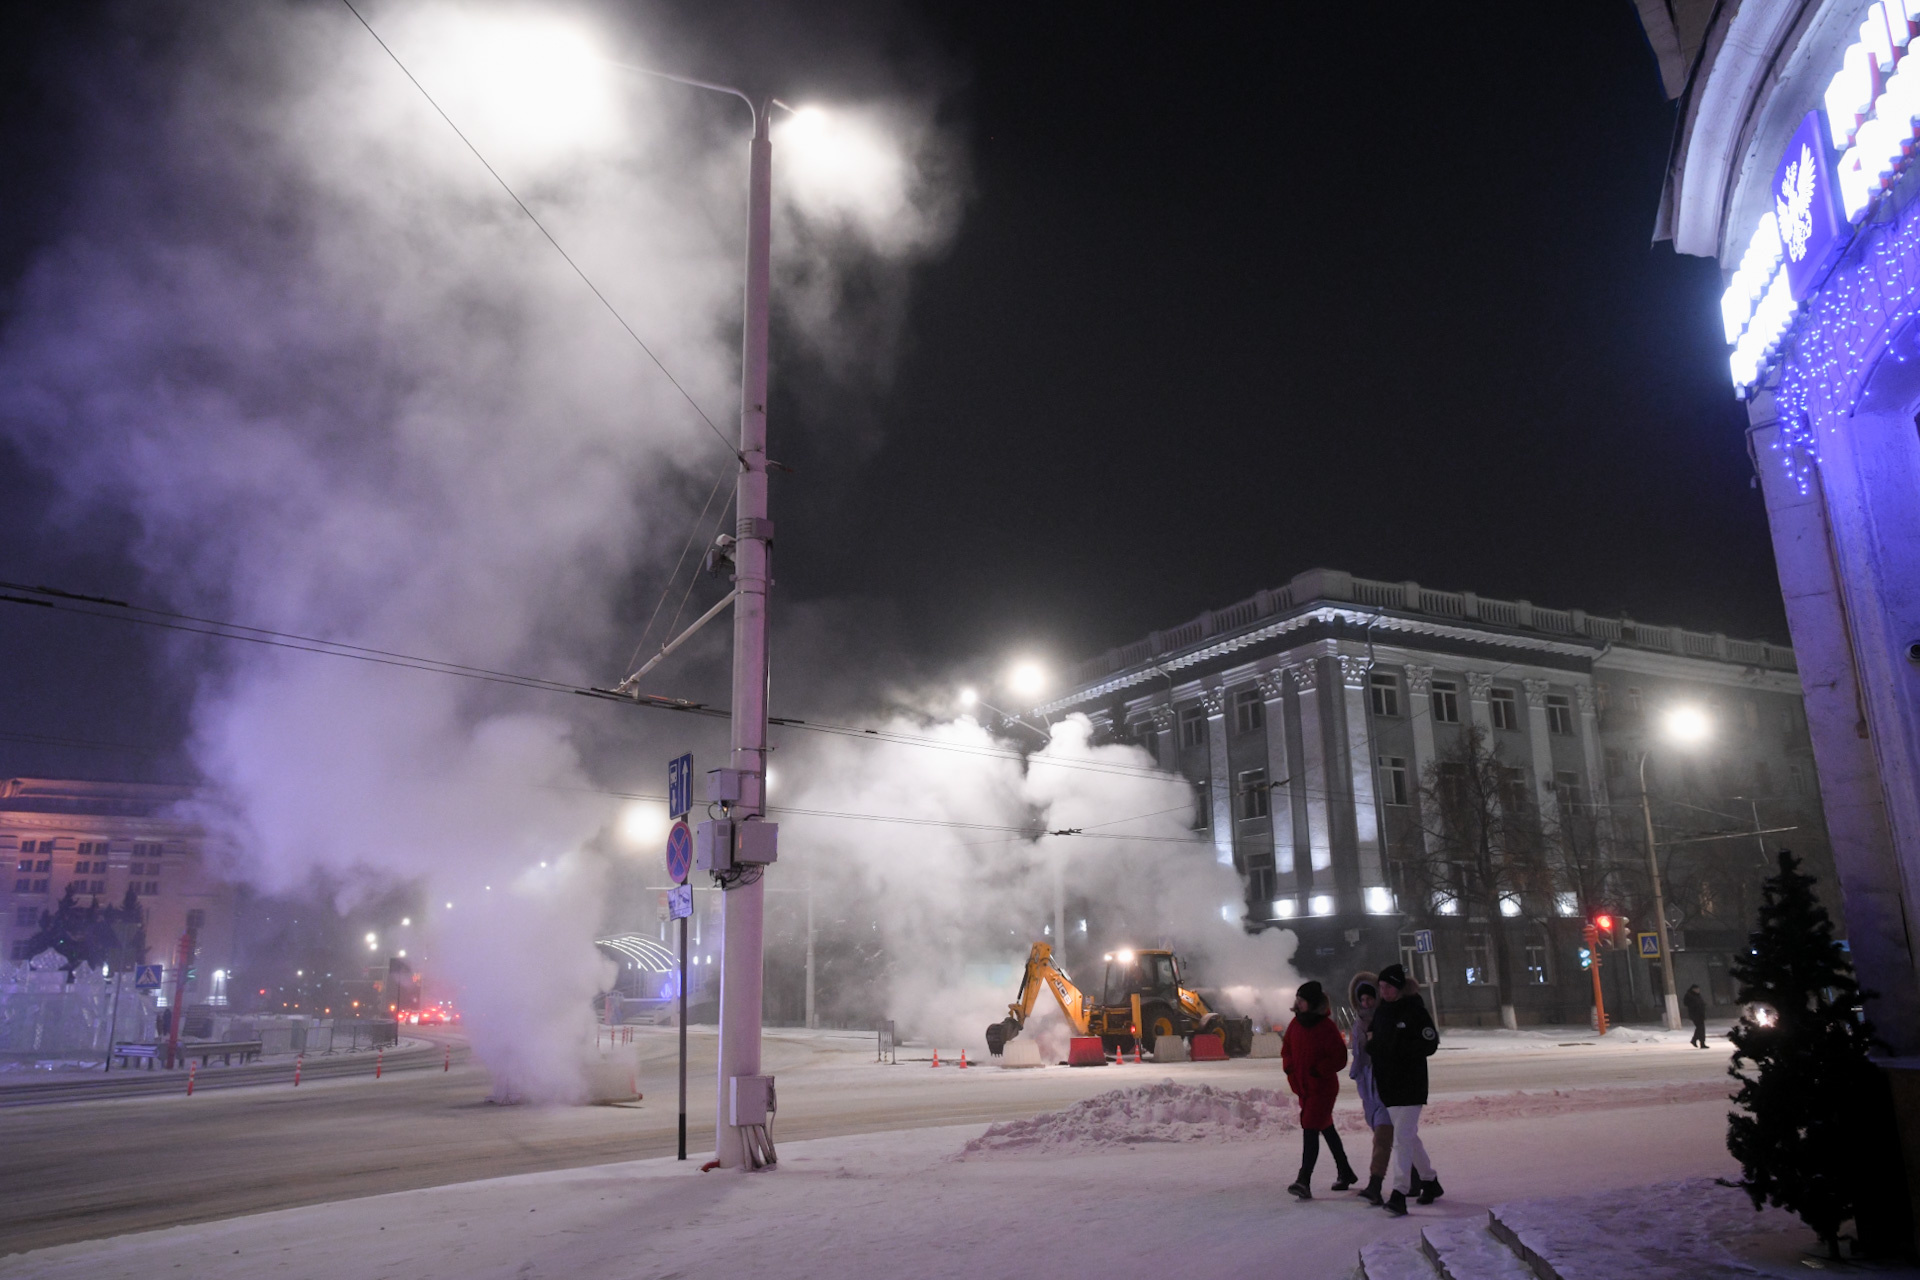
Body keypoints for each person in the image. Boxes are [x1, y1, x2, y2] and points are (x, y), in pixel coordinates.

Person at [1366, 963, 1442, 1216]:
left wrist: (1399, 1050)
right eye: (1381, 987)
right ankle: (1430, 1182)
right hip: (1389, 1086)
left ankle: (1399, 1192)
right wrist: (1374, 1047)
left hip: (1410, 1085)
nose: (1384, 991)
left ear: (1398, 987)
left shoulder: (1414, 1010)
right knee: (1408, 1136)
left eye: (1388, 987)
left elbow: (1430, 1043)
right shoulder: (1382, 1012)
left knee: (1401, 1139)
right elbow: (1373, 1040)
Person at [1282, 979, 1357, 1199]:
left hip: (1322, 1088)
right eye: (1297, 999)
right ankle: (1345, 1172)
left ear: (1312, 1003)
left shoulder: (1326, 1027)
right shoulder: (1295, 1025)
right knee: (1326, 1127)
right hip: (1303, 1087)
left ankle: (1303, 1180)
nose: (1298, 1003)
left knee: (1310, 1127)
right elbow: (1286, 1050)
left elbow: (1340, 1057)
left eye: (1302, 1000)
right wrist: (1289, 1069)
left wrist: (1319, 1070)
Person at [1347, 973, 1394, 1204]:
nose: (1366, 1004)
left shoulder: (1385, 1020)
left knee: (1383, 1137)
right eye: (1362, 1000)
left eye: (1370, 999)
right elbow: (1358, 1055)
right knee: (1403, 1138)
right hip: (1368, 1087)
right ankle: (1424, 1179)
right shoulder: (1357, 1025)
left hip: (1386, 1084)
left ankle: (1375, 1184)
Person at [1684, 983, 1708, 1049]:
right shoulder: (1689, 995)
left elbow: (1700, 1003)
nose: (1698, 990)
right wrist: (1695, 1006)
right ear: (1693, 989)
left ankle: (1695, 1041)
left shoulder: (1698, 995)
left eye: (1698, 989)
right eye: (1697, 989)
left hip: (1700, 1014)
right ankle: (1700, 1043)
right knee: (1700, 1028)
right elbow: (1686, 1003)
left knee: (1700, 1029)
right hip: (1695, 1014)